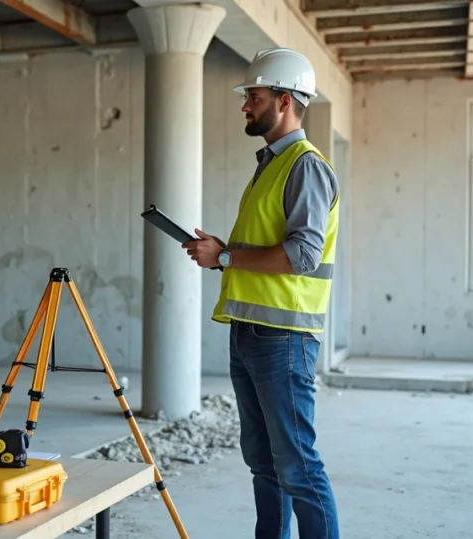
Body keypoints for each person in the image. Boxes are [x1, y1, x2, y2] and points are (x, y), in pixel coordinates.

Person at [182, 47, 342, 539]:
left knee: (296, 465)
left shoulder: (305, 166)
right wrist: (223, 250)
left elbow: (302, 255)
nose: (246, 106)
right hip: (251, 333)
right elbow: (267, 247)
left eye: (253, 96)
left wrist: (226, 257)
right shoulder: (270, 164)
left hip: (284, 339)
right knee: (264, 463)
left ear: (286, 99)